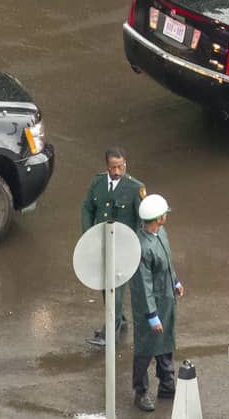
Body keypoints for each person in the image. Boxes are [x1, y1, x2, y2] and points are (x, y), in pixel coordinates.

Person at [80, 147, 145, 347]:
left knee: (113, 288)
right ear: (106, 166)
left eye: (120, 167)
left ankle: (110, 332)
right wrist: (88, 236)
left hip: (123, 249)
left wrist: (137, 249)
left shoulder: (135, 188)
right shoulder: (98, 183)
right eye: (112, 167)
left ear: (125, 164)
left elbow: (142, 220)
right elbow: (87, 208)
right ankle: (120, 320)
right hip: (101, 244)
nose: (116, 172)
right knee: (104, 285)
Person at [128, 194, 183, 413]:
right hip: (150, 305)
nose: (166, 216)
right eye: (164, 214)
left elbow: (167, 262)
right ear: (157, 218)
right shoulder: (142, 247)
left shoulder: (161, 234)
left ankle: (167, 384)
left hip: (166, 298)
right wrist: (151, 315)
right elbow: (143, 284)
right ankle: (140, 392)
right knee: (146, 348)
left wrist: (175, 281)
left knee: (166, 341)